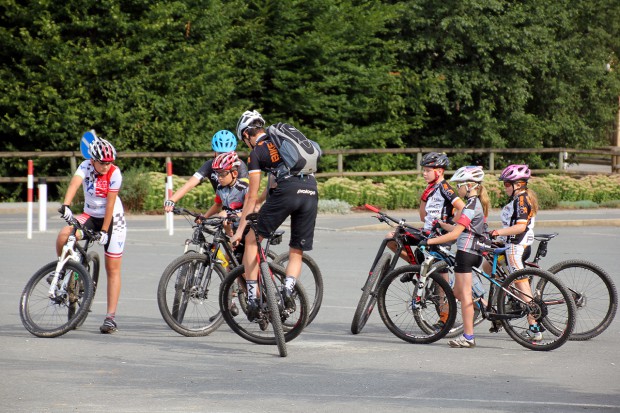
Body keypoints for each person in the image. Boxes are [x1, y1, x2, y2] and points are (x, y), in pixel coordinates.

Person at [230, 110, 319, 320]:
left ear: (246, 135)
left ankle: (252, 299)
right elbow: (270, 188)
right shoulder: (283, 144)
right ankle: (287, 291)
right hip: (311, 189)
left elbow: (251, 196)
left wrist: (239, 232)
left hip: (287, 192)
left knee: (251, 240)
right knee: (296, 249)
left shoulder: (257, 152)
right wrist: (262, 204)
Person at [57, 136, 127, 334]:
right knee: (64, 235)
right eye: (103, 163)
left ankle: (110, 317)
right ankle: (63, 269)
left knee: (112, 268)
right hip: (89, 215)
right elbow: (74, 184)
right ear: (93, 160)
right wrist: (66, 205)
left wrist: (104, 231)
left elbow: (111, 204)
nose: (107, 166)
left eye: (110, 162)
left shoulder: (115, 173)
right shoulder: (85, 166)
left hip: (113, 220)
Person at [418, 165, 490, 348]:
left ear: (469, 186)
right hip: (471, 251)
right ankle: (485, 307)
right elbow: (459, 228)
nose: (457, 188)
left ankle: (468, 337)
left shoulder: (470, 206)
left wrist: (430, 242)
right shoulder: (475, 204)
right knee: (457, 292)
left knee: (464, 295)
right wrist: (442, 224)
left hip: (466, 253)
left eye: (459, 185)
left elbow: (455, 235)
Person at [485, 164, 541, 341]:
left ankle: (534, 327)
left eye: (507, 184)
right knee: (487, 266)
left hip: (516, 248)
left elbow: (520, 227)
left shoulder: (522, 200)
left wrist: (497, 232)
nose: (504, 187)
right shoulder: (517, 199)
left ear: (519, 184)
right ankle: (510, 296)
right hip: (511, 245)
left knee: (522, 286)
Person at [163, 130, 248, 212]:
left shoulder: (240, 165)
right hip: (224, 206)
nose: (222, 156)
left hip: (240, 208)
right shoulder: (209, 165)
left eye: (226, 153)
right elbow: (190, 184)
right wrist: (172, 199)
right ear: (214, 152)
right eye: (220, 153)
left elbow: (244, 193)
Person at [200, 151, 249, 238]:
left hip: (247, 224)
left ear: (234, 173)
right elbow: (218, 205)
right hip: (231, 225)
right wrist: (204, 217)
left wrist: (234, 215)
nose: (219, 178)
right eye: (217, 174)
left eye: (223, 174)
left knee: (223, 215)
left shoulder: (244, 188)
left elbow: (252, 209)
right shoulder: (220, 188)